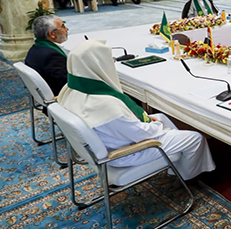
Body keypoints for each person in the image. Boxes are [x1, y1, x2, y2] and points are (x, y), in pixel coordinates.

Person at [58, 39, 216, 180]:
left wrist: (148, 119)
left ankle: (176, 162)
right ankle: (188, 176)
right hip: (124, 152)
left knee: (161, 118)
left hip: (108, 141)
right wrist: (156, 125)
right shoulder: (105, 104)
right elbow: (143, 133)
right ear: (98, 65)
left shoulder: (71, 89)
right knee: (195, 138)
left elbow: (124, 126)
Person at [25, 15, 68, 95]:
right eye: (63, 27)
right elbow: (64, 84)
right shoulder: (52, 56)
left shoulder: (35, 48)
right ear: (52, 34)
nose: (67, 29)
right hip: (60, 95)